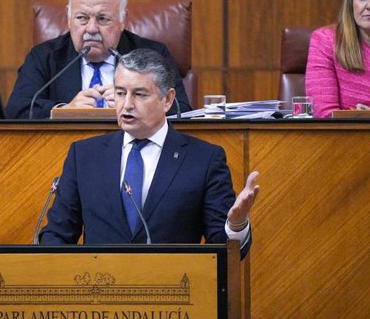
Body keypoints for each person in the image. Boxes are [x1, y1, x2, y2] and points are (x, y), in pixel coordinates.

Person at [39, 49, 258, 258]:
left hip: (173, 291)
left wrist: (236, 225)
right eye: (120, 93)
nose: (127, 105)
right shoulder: (84, 156)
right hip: (98, 290)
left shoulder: (204, 160)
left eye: (140, 94)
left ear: (168, 100)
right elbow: (57, 234)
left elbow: (222, 251)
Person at [5, 0, 192, 119]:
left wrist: (134, 104)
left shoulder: (153, 55)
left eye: (103, 19)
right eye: (82, 18)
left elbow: (180, 109)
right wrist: (65, 111)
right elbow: (17, 110)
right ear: (69, 18)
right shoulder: (45, 56)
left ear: (122, 20)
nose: (91, 29)